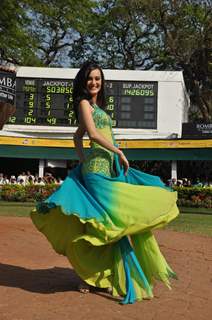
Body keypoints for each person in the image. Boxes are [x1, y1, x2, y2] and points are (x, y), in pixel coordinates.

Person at [31, 61, 179, 304]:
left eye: (98, 78)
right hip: (97, 172)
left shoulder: (96, 106)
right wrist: (114, 154)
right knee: (112, 223)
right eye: (90, 78)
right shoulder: (83, 103)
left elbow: (76, 136)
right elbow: (93, 135)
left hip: (108, 169)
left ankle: (95, 277)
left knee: (106, 224)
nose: (94, 82)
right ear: (83, 81)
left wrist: (85, 159)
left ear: (102, 81)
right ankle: (94, 277)